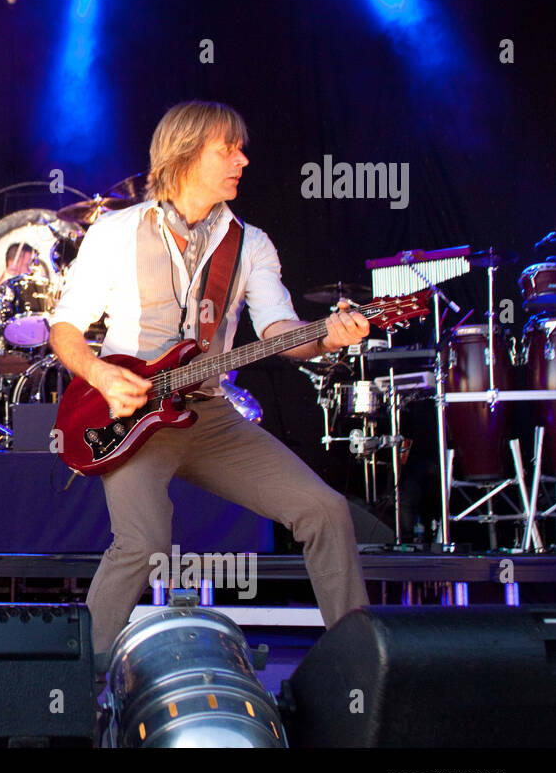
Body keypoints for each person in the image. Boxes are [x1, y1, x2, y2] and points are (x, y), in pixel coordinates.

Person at [49, 100, 369, 669]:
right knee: (142, 544)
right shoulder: (117, 231)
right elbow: (66, 326)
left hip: (211, 415)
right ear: (185, 153)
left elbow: (282, 333)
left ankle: (362, 666)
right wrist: (100, 373)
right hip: (132, 417)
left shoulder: (252, 244)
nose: (243, 159)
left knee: (324, 510)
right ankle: (75, 689)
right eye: (228, 148)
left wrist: (328, 339)